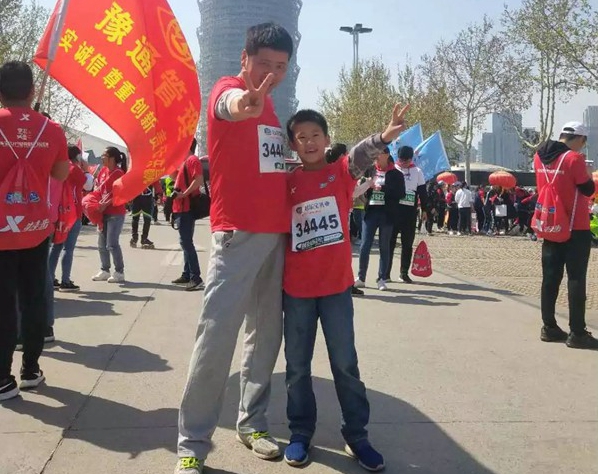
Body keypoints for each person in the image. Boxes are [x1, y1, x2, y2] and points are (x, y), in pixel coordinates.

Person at [176, 23, 294, 474]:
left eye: (280, 66)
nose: (271, 74)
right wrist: (244, 102)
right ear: (244, 59)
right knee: (216, 337)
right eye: (263, 64)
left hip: (276, 236)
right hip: (237, 234)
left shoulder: (273, 110)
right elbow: (229, 106)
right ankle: (192, 443)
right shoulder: (227, 90)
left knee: (265, 337)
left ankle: (253, 422)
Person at [282, 104, 409, 471]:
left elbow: (360, 155)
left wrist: (384, 136)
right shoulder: (285, 182)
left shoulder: (340, 173)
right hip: (297, 291)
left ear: (326, 139)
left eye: (315, 135)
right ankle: (300, 433)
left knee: (345, 365)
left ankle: (356, 435)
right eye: (301, 137)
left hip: (336, 289)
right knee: (297, 368)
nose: (309, 142)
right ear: (292, 144)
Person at [0, 61, 69, 401]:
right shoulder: (51, 130)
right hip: (36, 228)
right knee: (33, 298)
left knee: (3, 302)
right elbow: (60, 174)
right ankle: (30, 370)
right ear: (31, 91)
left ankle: (3, 379)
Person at [534, 122, 597, 349]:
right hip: (575, 226)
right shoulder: (574, 159)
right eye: (583, 143)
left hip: (550, 224)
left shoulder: (539, 157)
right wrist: (588, 173)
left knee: (550, 277)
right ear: (579, 138)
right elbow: (588, 189)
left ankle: (549, 327)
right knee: (576, 278)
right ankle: (577, 332)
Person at [48, 145, 94, 292]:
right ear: (78, 157)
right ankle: (65, 281)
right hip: (72, 212)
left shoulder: (57, 167)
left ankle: (49, 278)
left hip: (59, 212)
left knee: (56, 247)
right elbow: (88, 185)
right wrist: (86, 170)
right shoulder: (74, 169)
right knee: (68, 248)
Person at [354, 147, 399, 291]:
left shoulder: (396, 173)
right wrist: (368, 187)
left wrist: (383, 189)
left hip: (387, 213)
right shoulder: (370, 170)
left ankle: (382, 279)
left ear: (386, 155)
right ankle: (361, 277)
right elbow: (362, 188)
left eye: (379, 154)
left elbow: (401, 193)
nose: (376, 157)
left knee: (384, 246)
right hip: (371, 212)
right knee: (365, 245)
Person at [386, 146, 427, 283]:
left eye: (407, 160)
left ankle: (404, 273)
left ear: (411, 159)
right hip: (393, 211)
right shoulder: (392, 169)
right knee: (389, 243)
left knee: (407, 244)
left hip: (409, 213)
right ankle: (385, 273)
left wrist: (425, 210)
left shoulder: (417, 171)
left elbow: (423, 192)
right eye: (401, 160)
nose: (404, 163)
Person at [171, 138, 205, 291]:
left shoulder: (192, 160)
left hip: (186, 208)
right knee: (185, 242)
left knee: (186, 243)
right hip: (181, 208)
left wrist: (184, 194)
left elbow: (199, 180)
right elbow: (176, 178)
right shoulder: (185, 162)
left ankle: (195, 278)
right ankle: (187, 274)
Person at [91, 146, 127, 283]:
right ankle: (105, 270)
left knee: (112, 243)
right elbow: (98, 189)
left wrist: (106, 203)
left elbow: (121, 193)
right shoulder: (103, 171)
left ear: (112, 158)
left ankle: (119, 272)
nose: (102, 158)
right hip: (102, 212)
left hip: (115, 213)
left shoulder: (119, 173)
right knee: (101, 243)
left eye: (104, 156)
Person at [130, 183, 160, 249]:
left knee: (136, 218)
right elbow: (157, 184)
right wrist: (158, 195)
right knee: (145, 219)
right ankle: (143, 238)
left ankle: (135, 238)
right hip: (146, 198)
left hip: (137, 197)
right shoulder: (151, 176)